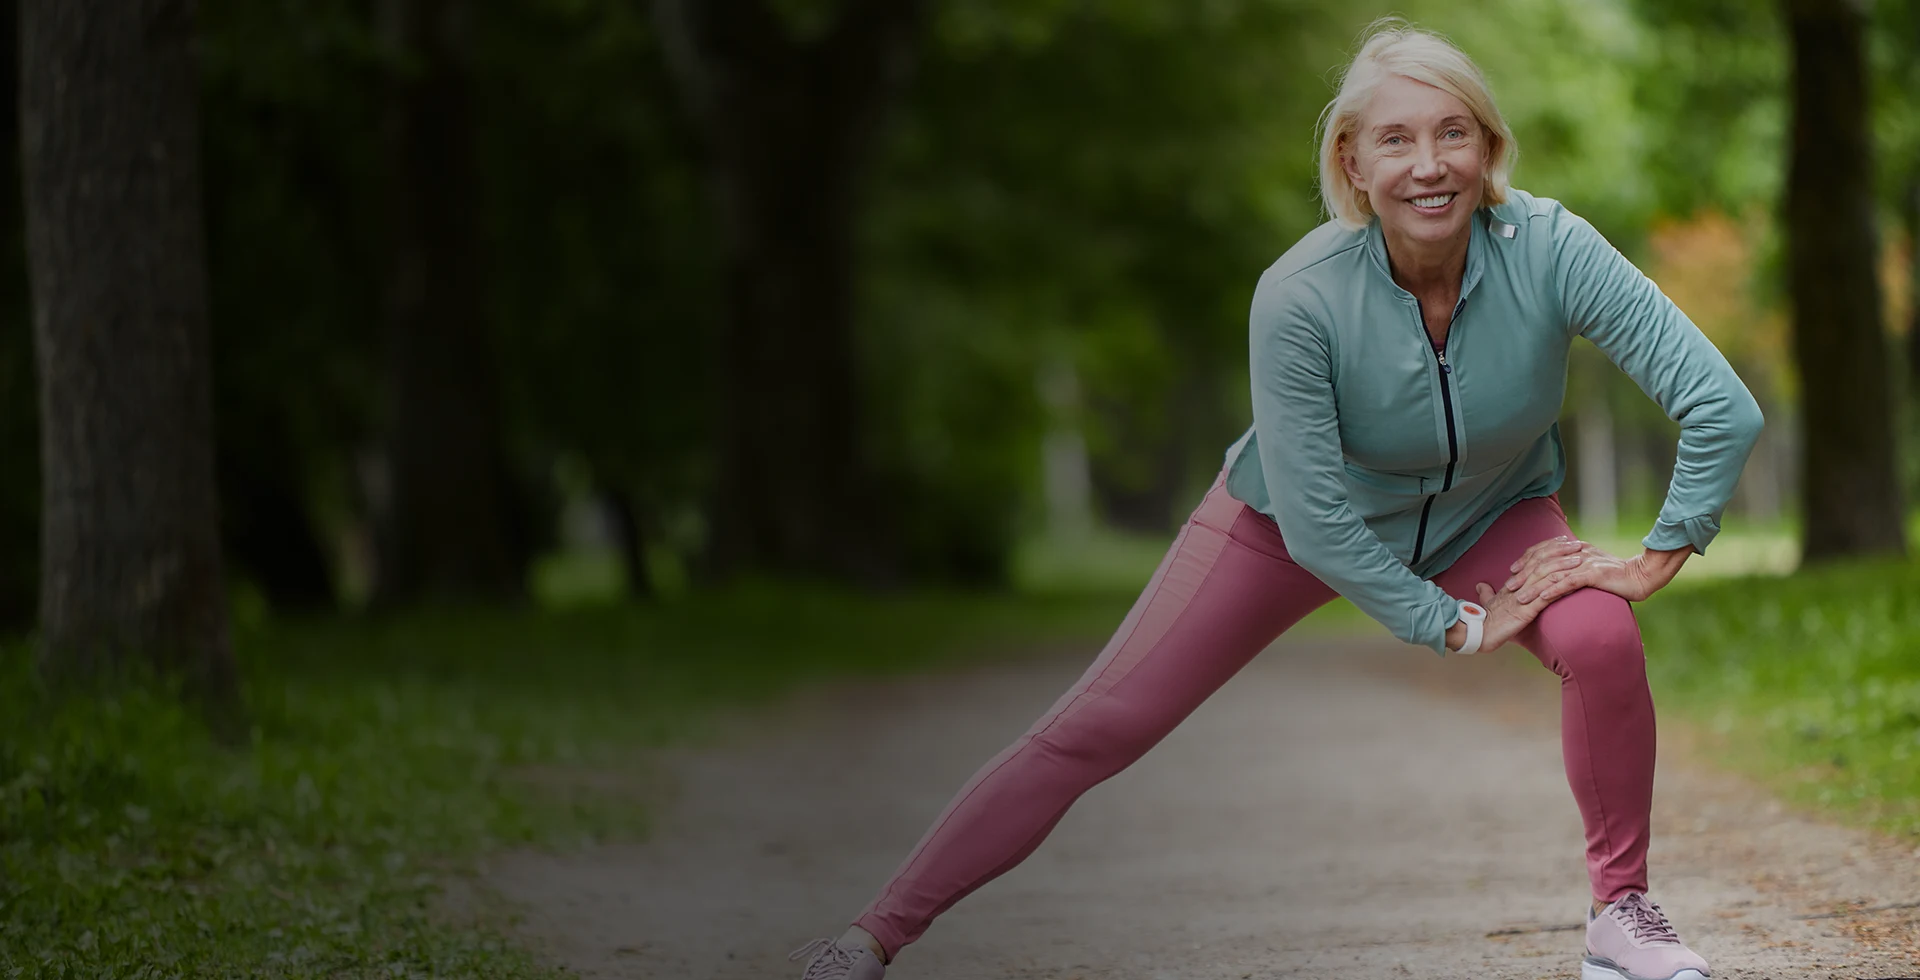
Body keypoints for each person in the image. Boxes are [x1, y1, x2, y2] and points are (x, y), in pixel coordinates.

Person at [790, 21, 1759, 980]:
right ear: (1352, 160)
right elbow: (1316, 519)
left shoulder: (1551, 248)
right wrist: (1451, 624)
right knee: (1102, 722)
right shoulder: (1299, 295)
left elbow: (1720, 402)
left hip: (1490, 510)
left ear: (1490, 147)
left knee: (1599, 634)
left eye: (1454, 132)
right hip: (1287, 525)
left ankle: (1619, 915)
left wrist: (1657, 552)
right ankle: (869, 937)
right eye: (1397, 138)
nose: (1431, 165)